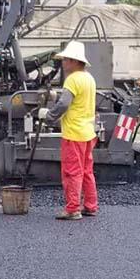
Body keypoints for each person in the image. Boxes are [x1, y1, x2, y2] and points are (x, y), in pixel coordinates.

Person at [39, 40, 98, 221]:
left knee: (72, 171)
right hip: (88, 132)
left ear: (73, 61)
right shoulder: (89, 78)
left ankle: (73, 209)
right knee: (87, 171)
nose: (63, 63)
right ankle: (90, 205)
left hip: (74, 133)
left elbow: (64, 104)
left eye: (65, 60)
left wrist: (48, 116)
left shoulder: (72, 79)